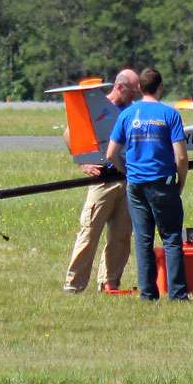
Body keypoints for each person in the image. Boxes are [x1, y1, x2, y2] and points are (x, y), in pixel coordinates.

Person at [105, 68, 189, 301]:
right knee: (171, 238)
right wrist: (180, 182)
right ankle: (178, 293)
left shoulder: (127, 114)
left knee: (143, 240)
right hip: (162, 182)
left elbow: (111, 153)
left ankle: (148, 293)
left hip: (136, 185)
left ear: (140, 88)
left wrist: (128, 171)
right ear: (160, 88)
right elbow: (181, 157)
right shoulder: (170, 114)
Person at [62, 68, 141, 294]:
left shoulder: (133, 110)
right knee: (89, 232)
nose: (135, 95)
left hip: (126, 179)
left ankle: (109, 282)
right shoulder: (99, 107)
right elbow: (69, 133)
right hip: (102, 181)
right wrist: (83, 163)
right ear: (120, 87)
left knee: (121, 235)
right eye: (133, 91)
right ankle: (73, 284)